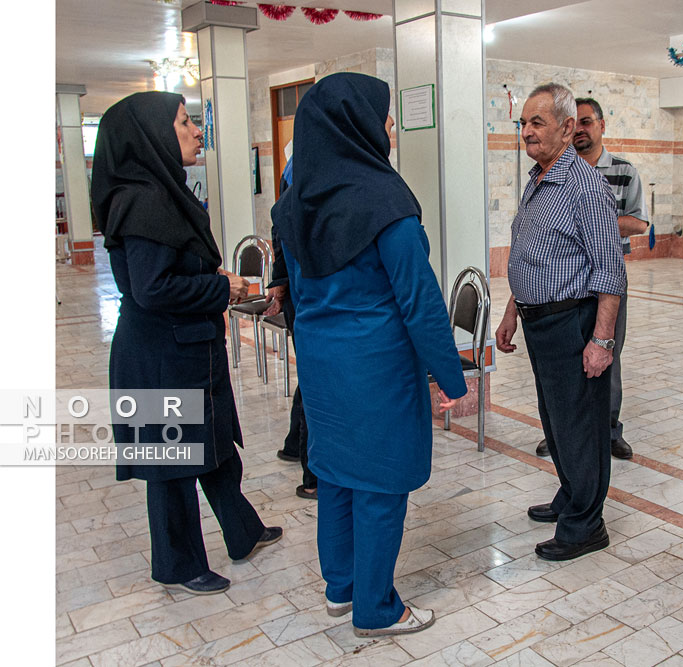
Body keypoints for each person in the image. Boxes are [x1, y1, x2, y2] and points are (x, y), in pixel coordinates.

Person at [271, 72, 467, 637]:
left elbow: (298, 297)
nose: (390, 127)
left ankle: (342, 588)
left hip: (321, 367)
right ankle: (377, 608)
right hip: (377, 369)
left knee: (334, 472)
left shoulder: (295, 204)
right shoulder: (386, 201)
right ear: (353, 122)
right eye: (383, 115)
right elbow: (421, 302)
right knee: (381, 482)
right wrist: (451, 378)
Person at [91, 92, 282, 596]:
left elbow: (170, 270)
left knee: (216, 448)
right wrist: (225, 287)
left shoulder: (161, 191)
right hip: (161, 356)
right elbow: (152, 289)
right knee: (172, 466)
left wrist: (210, 276)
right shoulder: (142, 201)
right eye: (184, 123)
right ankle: (178, 564)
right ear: (153, 136)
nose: (198, 132)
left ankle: (242, 531)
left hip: (185, 348)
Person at [495, 83, 626, 561]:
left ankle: (587, 524)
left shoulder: (584, 185)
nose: (526, 132)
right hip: (539, 322)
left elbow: (611, 270)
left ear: (568, 128)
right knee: (556, 421)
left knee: (580, 426)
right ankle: (571, 495)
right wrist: (511, 311)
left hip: (573, 321)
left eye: (536, 123)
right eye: (523, 123)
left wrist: (602, 340)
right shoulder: (538, 177)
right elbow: (535, 255)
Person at [535, 96, 648, 461]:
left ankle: (608, 431)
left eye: (587, 122)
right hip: (563, 285)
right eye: (575, 122)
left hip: (606, 282)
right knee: (564, 366)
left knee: (605, 354)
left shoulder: (624, 171)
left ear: (601, 125)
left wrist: (593, 222)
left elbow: (641, 224)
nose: (581, 129)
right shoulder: (552, 171)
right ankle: (560, 434)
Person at [266, 155, 319, 500]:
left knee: (311, 382)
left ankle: (294, 446)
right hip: (310, 307)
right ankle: (312, 474)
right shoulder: (310, 173)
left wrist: (280, 280)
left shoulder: (299, 172)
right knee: (315, 385)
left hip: (302, 303)